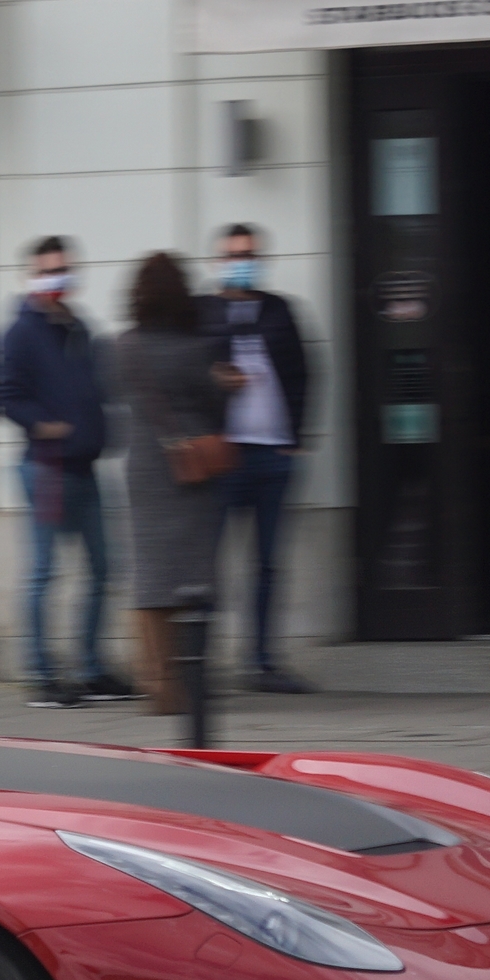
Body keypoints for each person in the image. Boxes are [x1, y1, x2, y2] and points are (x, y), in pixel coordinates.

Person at [0, 237, 137, 708]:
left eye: (63, 270)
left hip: (86, 465)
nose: (57, 279)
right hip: (46, 467)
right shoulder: (19, 332)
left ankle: (90, 668)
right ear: (30, 276)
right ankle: (42, 675)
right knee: (44, 573)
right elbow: (2, 395)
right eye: (48, 271)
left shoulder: (80, 327)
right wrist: (42, 424)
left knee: (104, 567)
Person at [198, 224, 315, 694]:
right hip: (225, 456)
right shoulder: (204, 311)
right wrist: (216, 379)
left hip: (273, 455)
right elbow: (188, 374)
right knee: (208, 565)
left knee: (267, 564)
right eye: (232, 255)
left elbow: (306, 372)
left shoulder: (279, 309)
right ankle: (199, 661)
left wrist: (297, 437)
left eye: (248, 254)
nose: (241, 262)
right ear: (218, 261)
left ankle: (262, 660)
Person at [117, 252, 235, 716]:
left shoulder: (123, 346)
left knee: (149, 580)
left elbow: (116, 394)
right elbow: (215, 410)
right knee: (194, 580)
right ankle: (193, 678)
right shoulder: (196, 348)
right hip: (191, 472)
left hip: (144, 469)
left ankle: (157, 682)